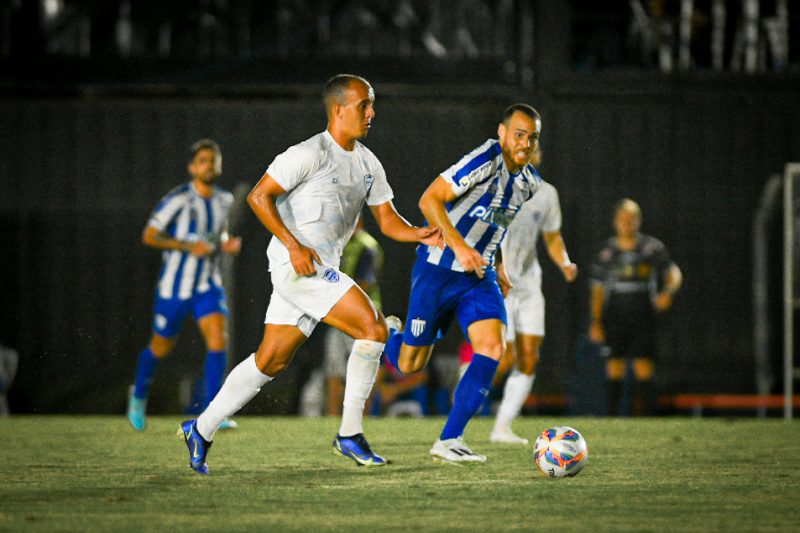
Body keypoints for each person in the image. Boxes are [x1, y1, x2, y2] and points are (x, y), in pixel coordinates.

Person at [179, 73, 443, 475]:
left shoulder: (368, 162)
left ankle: (201, 427)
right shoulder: (307, 153)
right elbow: (258, 197)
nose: (372, 113)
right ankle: (350, 434)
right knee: (372, 329)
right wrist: (293, 244)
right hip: (297, 266)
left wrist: (419, 232)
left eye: (372, 105)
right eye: (364, 105)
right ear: (339, 109)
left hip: (318, 271)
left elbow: (388, 221)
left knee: (270, 360)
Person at [383, 103, 542, 464]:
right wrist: (460, 246)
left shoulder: (528, 184)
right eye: (519, 134)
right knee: (410, 363)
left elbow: (496, 224)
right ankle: (386, 334)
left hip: (478, 275)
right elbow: (429, 200)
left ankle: (450, 438)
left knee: (493, 347)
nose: (525, 143)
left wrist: (498, 265)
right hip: (438, 270)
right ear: (502, 134)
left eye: (532, 137)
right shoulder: (486, 158)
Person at [127, 139, 242, 432]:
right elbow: (150, 235)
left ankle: (211, 412)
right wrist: (185, 246)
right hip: (174, 289)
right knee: (160, 347)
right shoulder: (178, 198)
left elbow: (220, 232)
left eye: (213, 160)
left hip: (207, 285)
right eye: (203, 160)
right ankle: (138, 395)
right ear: (192, 167)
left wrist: (226, 244)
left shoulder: (224, 200)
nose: (209, 165)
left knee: (218, 340)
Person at [487, 144, 578, 444]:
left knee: (528, 359)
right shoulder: (500, 188)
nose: (530, 153)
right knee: (504, 358)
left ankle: (502, 427)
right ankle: (465, 386)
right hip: (499, 283)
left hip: (528, 285)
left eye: (536, 149)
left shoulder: (547, 194)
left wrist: (564, 262)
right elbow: (491, 232)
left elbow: (552, 236)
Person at [588, 198, 682, 416]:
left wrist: (667, 292)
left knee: (643, 366)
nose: (627, 224)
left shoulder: (651, 248)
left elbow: (674, 274)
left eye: (632, 219)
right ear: (615, 222)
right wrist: (596, 321)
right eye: (623, 219)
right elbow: (597, 290)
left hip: (643, 314)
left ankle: (648, 418)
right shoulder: (606, 253)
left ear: (639, 221)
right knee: (614, 366)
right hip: (615, 316)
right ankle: (612, 419)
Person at [323, 215, 384, 416]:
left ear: (359, 222)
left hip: (362, 315)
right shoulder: (337, 246)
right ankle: (332, 418)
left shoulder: (367, 246)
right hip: (339, 314)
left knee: (363, 367)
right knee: (334, 368)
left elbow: (365, 283)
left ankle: (361, 417)